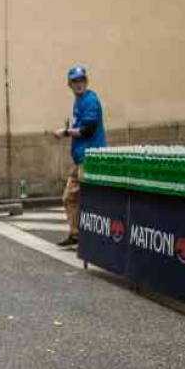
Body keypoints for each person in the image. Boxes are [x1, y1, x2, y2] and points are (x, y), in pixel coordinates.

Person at [54, 65, 107, 248]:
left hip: (90, 158)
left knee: (88, 199)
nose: (79, 84)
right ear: (69, 84)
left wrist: (66, 132)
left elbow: (88, 129)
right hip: (81, 159)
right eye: (75, 81)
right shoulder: (79, 101)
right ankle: (75, 234)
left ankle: (94, 239)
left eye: (81, 80)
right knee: (70, 197)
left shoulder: (90, 100)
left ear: (87, 81)